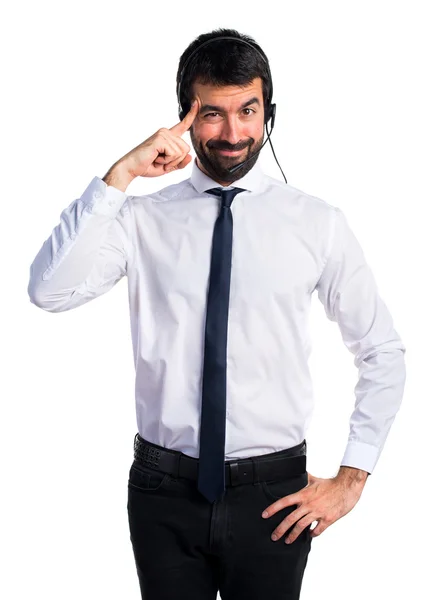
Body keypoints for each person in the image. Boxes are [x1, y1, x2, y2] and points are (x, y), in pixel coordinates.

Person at [27, 27, 406, 600]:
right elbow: (49, 291)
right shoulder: (139, 220)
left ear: (268, 114)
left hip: (276, 497)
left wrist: (352, 479)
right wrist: (119, 176)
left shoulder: (315, 222)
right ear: (185, 115)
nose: (232, 134)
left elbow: (382, 351)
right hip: (163, 491)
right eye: (212, 114)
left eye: (247, 111)